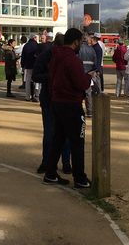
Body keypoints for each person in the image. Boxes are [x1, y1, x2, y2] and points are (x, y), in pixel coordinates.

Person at [44, 28, 96, 188]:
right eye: (81, 42)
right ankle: (79, 177)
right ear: (76, 42)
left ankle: (50, 172)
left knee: (58, 139)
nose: (82, 44)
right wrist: (89, 77)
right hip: (71, 104)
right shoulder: (72, 59)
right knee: (77, 142)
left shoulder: (55, 56)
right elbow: (80, 83)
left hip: (57, 102)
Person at [33, 33, 71, 175]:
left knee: (62, 132)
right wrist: (51, 76)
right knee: (51, 132)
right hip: (50, 99)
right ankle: (47, 162)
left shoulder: (68, 56)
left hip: (62, 99)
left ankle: (65, 162)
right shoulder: (46, 55)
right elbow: (36, 75)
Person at [21, 33, 39, 102]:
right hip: (35, 65)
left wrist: (23, 65)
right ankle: (36, 94)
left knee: (28, 81)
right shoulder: (37, 45)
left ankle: (27, 96)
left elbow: (23, 56)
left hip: (28, 65)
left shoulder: (26, 46)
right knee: (36, 81)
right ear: (34, 38)